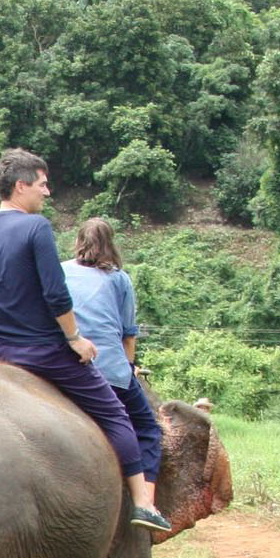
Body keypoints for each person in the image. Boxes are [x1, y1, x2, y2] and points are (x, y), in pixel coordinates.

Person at [0, 149, 172, 535]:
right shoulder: (35, 228)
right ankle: (143, 503)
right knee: (116, 416)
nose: (47, 192)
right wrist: (75, 339)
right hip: (41, 351)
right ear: (21, 186)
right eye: (42, 184)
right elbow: (55, 294)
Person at [60, 216, 168, 531]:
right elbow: (128, 336)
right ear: (111, 244)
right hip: (108, 369)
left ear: (77, 241)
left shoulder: (61, 271)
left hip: (64, 365)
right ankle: (146, 505)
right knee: (147, 428)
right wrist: (129, 370)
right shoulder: (120, 279)